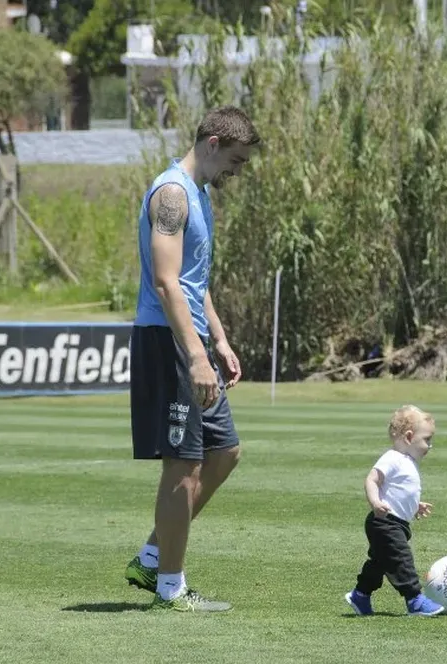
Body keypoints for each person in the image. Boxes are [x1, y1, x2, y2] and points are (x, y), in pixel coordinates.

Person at [124, 105, 262, 612]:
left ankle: (152, 556)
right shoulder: (173, 195)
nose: (238, 170)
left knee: (224, 452)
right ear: (212, 143)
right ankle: (171, 586)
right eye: (236, 159)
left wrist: (219, 340)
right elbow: (165, 283)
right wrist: (196, 356)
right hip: (168, 342)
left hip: (193, 342)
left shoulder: (199, 195)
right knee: (182, 467)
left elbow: (193, 280)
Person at [344, 405, 446, 617]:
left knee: (380, 562)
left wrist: (414, 505)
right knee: (401, 558)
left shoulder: (408, 462)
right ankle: (414, 600)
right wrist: (375, 502)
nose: (430, 446)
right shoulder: (392, 458)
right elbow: (372, 479)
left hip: (396, 522)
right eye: (427, 439)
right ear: (409, 437)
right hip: (384, 522)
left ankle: (360, 595)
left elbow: (400, 490)